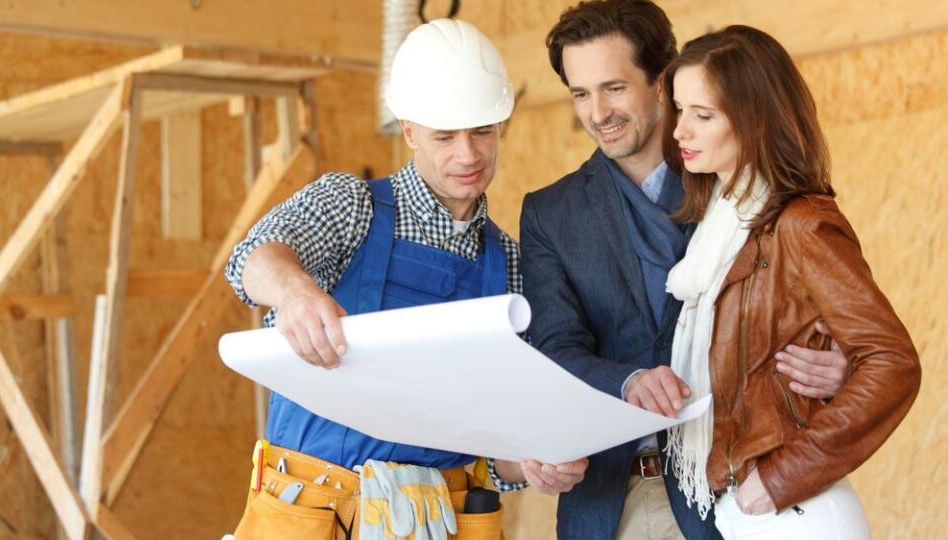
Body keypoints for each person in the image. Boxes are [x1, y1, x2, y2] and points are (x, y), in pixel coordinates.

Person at [223, 19, 586, 539]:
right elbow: (250, 261)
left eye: (482, 131)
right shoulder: (350, 207)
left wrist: (531, 464)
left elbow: (498, 440)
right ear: (409, 131)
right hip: (316, 514)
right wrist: (295, 291)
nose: (468, 154)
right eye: (445, 136)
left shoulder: (511, 265)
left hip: (443, 520)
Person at [517, 1, 853, 539]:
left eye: (615, 87)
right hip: (611, 500)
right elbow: (555, 350)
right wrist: (627, 382)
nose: (598, 111)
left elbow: (828, 325)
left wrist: (842, 369)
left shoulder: (745, 187)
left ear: (662, 82)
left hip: (738, 497)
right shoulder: (550, 214)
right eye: (581, 93)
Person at [659, 24, 920, 539]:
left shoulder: (802, 225)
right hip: (740, 508)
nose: (679, 131)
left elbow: (893, 363)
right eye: (680, 110)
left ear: (753, 121)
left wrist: (781, 478)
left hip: (794, 510)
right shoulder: (718, 228)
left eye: (702, 116)